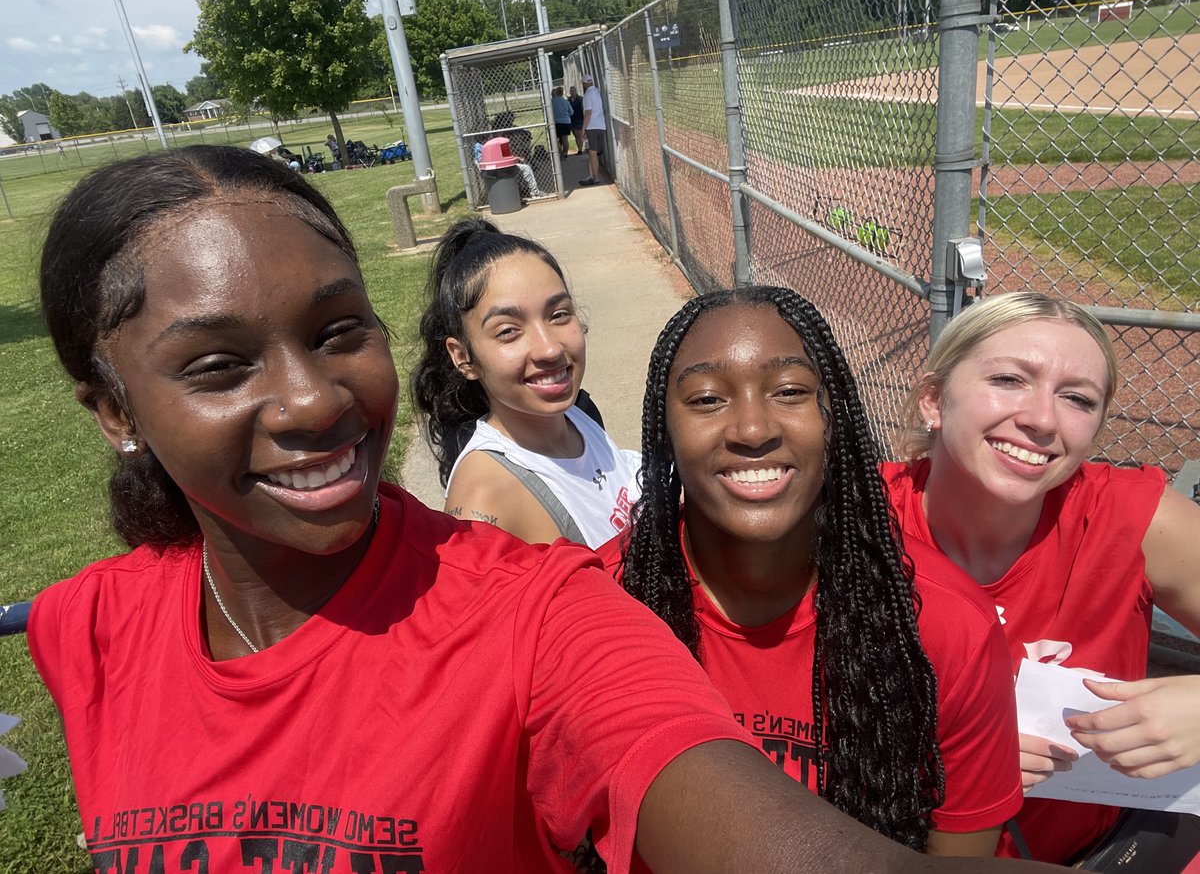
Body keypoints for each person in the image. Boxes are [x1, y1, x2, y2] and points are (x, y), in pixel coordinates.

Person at [25, 145, 1063, 874]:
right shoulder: (86, 630)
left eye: (339, 331)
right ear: (113, 405)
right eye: (218, 363)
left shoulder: (546, 611)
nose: (311, 398)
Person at [604, 286, 1023, 857]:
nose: (752, 430)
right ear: (663, 431)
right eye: (706, 399)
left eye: (790, 391)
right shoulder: (603, 603)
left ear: (836, 418)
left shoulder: (943, 625)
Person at [884, 291, 1200, 865]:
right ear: (933, 399)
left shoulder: (1133, 520)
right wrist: (950, 752)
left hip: (1091, 850)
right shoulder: (855, 521)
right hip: (887, 848)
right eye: (1008, 379)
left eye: (1077, 398)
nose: (1041, 419)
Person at [412, 218, 638, 548]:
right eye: (508, 331)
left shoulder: (579, 412)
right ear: (463, 358)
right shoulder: (485, 502)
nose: (549, 348)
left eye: (559, 314)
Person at [474, 137, 546, 199]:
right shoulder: (479, 146)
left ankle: (534, 191)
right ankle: (514, 194)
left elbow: (504, 156)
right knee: (508, 173)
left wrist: (516, 158)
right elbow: (481, 162)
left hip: (505, 166)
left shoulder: (492, 139)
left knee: (526, 168)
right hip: (492, 169)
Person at [578, 74, 606, 186]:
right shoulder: (597, 92)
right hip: (601, 126)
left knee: (592, 153)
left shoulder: (588, 95)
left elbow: (588, 113)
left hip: (592, 126)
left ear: (584, 84)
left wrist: (583, 128)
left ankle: (596, 178)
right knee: (593, 153)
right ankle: (592, 175)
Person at [552, 86, 574, 157]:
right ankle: (565, 153)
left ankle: (560, 151)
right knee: (565, 139)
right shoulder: (566, 101)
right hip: (566, 122)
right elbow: (571, 112)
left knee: (554, 139)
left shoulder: (552, 102)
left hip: (556, 122)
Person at [568, 85, 586, 155]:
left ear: (576, 91)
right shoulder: (568, 100)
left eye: (573, 90)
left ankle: (580, 150)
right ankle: (579, 148)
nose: (572, 92)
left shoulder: (580, 99)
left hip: (579, 119)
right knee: (576, 136)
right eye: (571, 91)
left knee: (579, 136)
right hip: (572, 120)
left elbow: (583, 108)